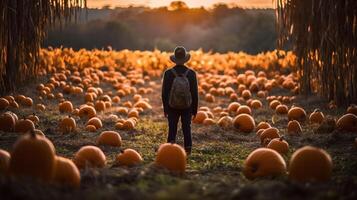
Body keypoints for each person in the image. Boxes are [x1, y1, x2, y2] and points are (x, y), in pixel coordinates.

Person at [161, 46, 198, 155]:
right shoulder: (191, 74)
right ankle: (188, 150)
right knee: (187, 128)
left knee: (172, 128)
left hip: (172, 106)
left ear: (175, 58)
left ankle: (169, 151)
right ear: (185, 58)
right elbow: (194, 93)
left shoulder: (168, 73)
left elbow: (164, 93)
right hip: (187, 106)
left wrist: (165, 108)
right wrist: (194, 110)